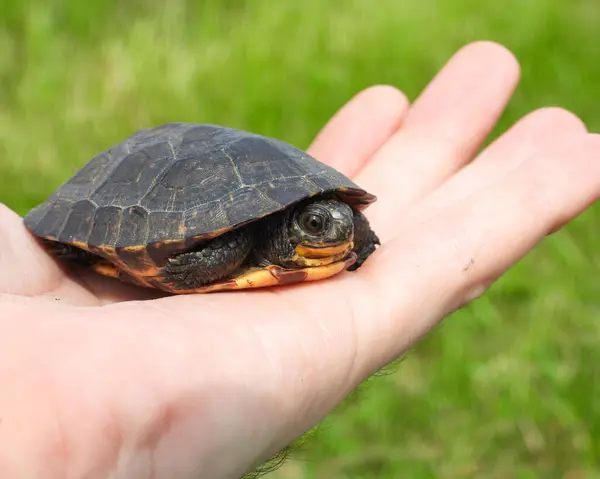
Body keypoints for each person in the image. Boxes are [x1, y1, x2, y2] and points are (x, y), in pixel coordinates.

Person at [0, 41, 598, 478]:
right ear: (291, 228)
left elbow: (350, 224)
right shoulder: (244, 240)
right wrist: (180, 268)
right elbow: (218, 246)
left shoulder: (338, 226)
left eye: (339, 219)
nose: (336, 226)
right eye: (317, 223)